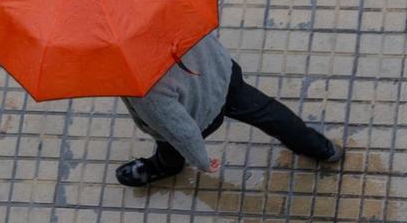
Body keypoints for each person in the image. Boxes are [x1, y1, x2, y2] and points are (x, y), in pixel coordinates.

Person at [116, 34, 344, 187]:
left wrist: (201, 160)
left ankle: (165, 167)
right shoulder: (167, 8)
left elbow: (181, 131)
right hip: (222, 75)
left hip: (199, 114)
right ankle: (322, 148)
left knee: (171, 147)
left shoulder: (142, 86)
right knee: (267, 112)